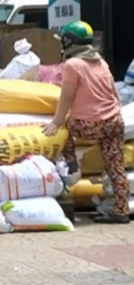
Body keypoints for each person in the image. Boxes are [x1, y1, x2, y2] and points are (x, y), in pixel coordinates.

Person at [43, 21, 129, 224]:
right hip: (114, 121)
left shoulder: (72, 65)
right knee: (116, 167)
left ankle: (72, 168)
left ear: (69, 43)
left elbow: (66, 97)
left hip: (91, 123)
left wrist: (56, 121)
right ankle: (121, 210)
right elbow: (114, 93)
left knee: (64, 129)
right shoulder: (100, 61)